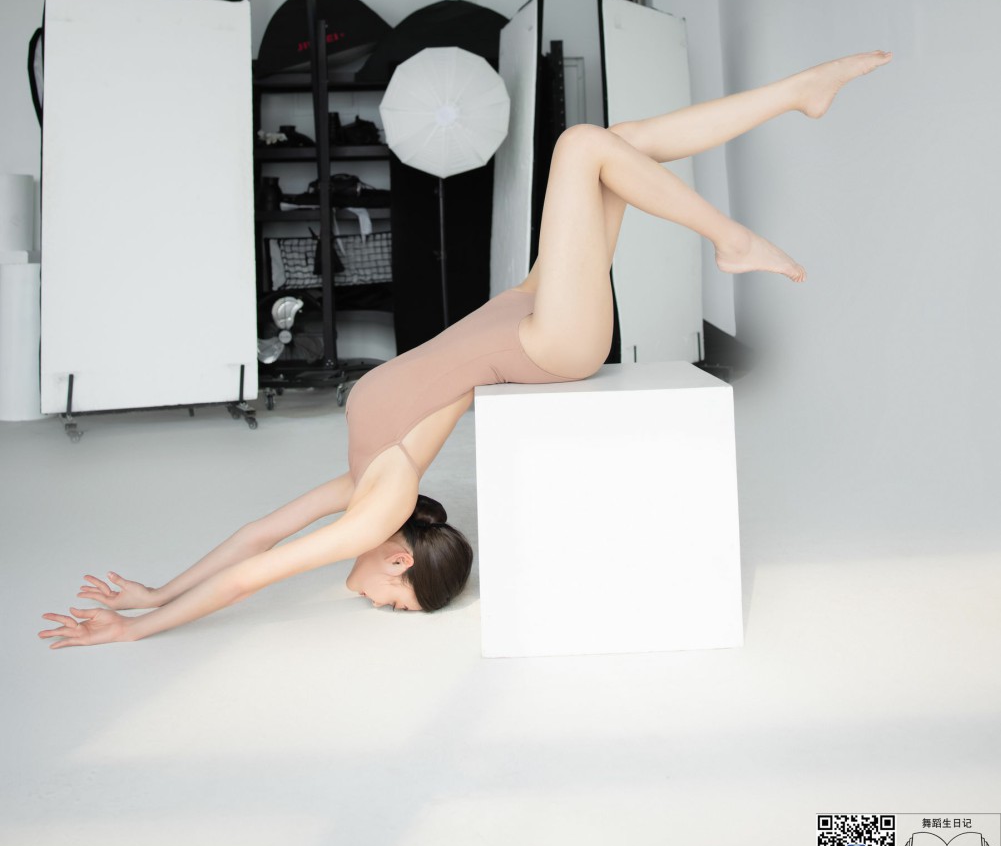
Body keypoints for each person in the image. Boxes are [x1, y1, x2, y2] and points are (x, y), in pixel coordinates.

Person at [39, 49, 892, 647]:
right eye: (398, 602)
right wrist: (142, 621)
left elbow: (251, 548)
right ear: (398, 558)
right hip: (547, 339)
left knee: (615, 141)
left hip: (524, 314)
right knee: (584, 146)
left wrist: (151, 602)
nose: (383, 603)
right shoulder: (379, 506)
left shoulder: (366, 492)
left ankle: (795, 93)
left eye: (394, 606)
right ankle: (731, 236)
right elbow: (249, 572)